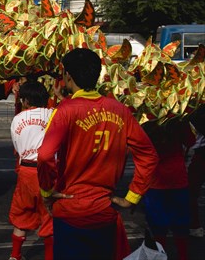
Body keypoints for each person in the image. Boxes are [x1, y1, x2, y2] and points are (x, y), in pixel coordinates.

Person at [37, 48, 158, 260]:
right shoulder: (119, 110)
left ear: (68, 76)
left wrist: (47, 192)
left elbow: (45, 155)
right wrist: (132, 197)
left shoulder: (65, 110)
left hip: (70, 209)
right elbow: (149, 155)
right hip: (105, 210)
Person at [8, 80, 55, 260]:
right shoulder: (53, 114)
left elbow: (17, 147)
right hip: (48, 171)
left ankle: (15, 255)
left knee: (22, 212)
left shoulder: (17, 119)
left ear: (25, 100)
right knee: (50, 215)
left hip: (26, 170)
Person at [142, 118, 195, 260]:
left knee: (158, 225)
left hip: (155, 181)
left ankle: (161, 256)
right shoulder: (178, 119)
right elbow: (191, 141)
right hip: (176, 180)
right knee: (180, 224)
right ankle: (182, 255)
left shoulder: (147, 121)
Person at [188, 107, 205, 238]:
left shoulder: (196, 113)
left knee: (192, 192)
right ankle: (194, 225)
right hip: (200, 155)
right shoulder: (197, 112)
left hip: (200, 155)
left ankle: (194, 225)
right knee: (192, 192)